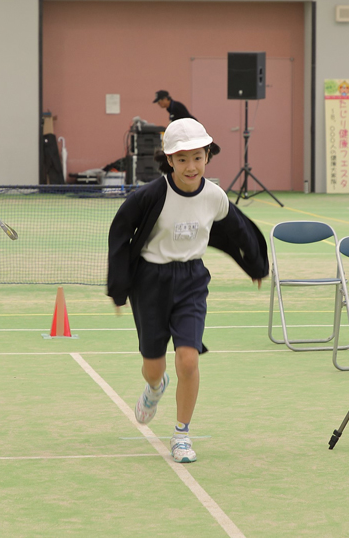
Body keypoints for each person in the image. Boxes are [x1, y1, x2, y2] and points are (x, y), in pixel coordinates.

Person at [107, 118, 268, 463]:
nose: (190, 166)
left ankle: (181, 434)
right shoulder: (151, 196)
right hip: (149, 282)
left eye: (197, 157)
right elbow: (120, 232)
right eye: (182, 159)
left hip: (192, 281)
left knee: (188, 360)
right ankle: (154, 387)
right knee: (154, 366)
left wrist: (255, 265)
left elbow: (240, 230)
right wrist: (118, 288)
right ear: (169, 160)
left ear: (207, 156)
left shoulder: (214, 197)